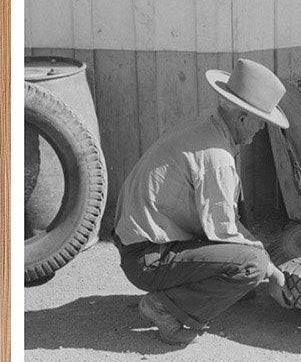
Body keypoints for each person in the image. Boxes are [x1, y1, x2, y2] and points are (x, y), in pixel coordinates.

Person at [113, 58, 290, 346]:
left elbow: (225, 216)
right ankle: (162, 307)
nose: (260, 130)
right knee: (252, 265)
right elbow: (223, 229)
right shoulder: (216, 156)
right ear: (243, 117)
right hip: (147, 258)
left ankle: (200, 288)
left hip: (142, 245)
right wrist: (271, 271)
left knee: (245, 244)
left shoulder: (207, 126)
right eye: (261, 122)